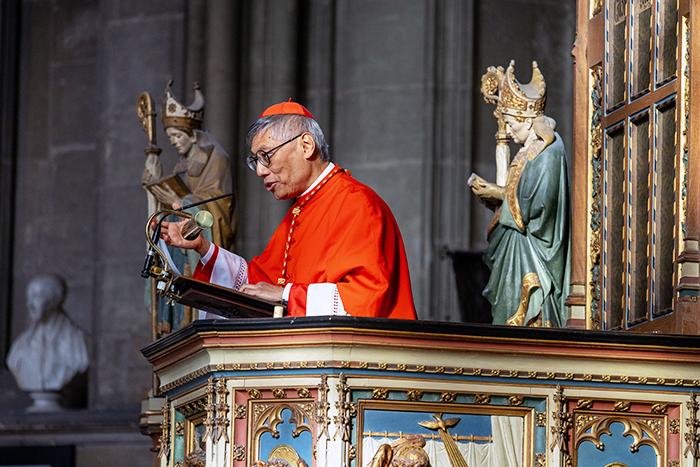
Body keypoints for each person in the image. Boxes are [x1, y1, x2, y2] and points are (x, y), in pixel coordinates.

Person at [161, 101, 417, 319]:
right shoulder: (301, 210)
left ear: (306, 146)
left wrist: (286, 295)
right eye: (255, 161)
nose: (260, 171)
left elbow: (366, 297)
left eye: (266, 156)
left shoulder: (357, 204)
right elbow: (258, 282)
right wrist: (202, 247)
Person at [469, 60, 570, 327]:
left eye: (512, 123)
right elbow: (516, 193)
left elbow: (539, 206)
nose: (510, 128)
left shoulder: (548, 150)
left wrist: (498, 192)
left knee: (529, 309)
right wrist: (495, 194)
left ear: (528, 119)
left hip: (534, 250)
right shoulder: (527, 150)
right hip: (518, 245)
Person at [141, 82, 236, 332]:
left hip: (198, 247)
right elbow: (175, 202)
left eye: (177, 136)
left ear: (192, 134)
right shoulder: (183, 163)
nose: (173, 142)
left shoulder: (217, 159)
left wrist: (178, 200)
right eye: (170, 136)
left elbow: (218, 206)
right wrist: (156, 192)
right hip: (178, 248)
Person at [6, 274, 89, 411]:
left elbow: (81, 363)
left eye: (36, 297)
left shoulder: (77, 341)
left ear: (55, 300)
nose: (29, 305)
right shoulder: (20, 345)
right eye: (28, 298)